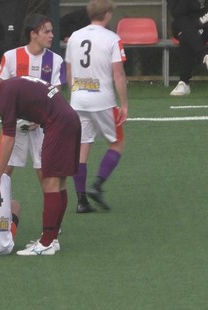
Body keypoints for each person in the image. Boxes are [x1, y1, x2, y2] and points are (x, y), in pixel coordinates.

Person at [0, 75, 80, 256]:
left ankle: (46, 243)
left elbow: (9, 138)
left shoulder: (5, 96)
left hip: (58, 125)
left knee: (50, 182)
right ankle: (52, 239)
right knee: (59, 183)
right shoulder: (14, 83)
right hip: (69, 119)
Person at [64, 0, 128, 213]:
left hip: (79, 100)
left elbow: (69, 70)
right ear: (108, 14)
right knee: (117, 143)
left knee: (82, 149)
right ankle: (97, 186)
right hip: (103, 101)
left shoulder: (75, 36)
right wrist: (124, 104)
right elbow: (118, 73)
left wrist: (75, 95)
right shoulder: (112, 38)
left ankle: (81, 201)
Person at [0, 14, 66, 183]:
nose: (51, 35)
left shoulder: (56, 60)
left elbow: (56, 94)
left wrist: (40, 117)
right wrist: (15, 115)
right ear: (33, 34)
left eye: (51, 31)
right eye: (46, 32)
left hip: (43, 124)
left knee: (46, 171)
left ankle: (50, 209)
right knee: (4, 169)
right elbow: (2, 90)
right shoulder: (11, 56)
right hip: (15, 123)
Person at [168, 0, 208, 96]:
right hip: (181, 25)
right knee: (184, 25)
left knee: (185, 37)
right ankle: (204, 55)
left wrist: (197, 24)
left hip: (203, 26)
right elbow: (176, 13)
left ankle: (184, 83)